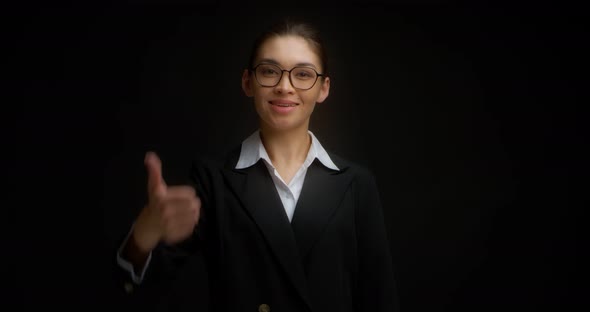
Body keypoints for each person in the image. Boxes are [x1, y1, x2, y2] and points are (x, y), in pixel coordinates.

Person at [114, 17, 399, 312]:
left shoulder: (356, 184)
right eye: (269, 71)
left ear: (323, 88)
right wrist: (143, 235)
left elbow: (380, 299)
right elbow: (138, 289)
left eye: (303, 74)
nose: (284, 86)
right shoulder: (214, 180)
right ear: (248, 82)